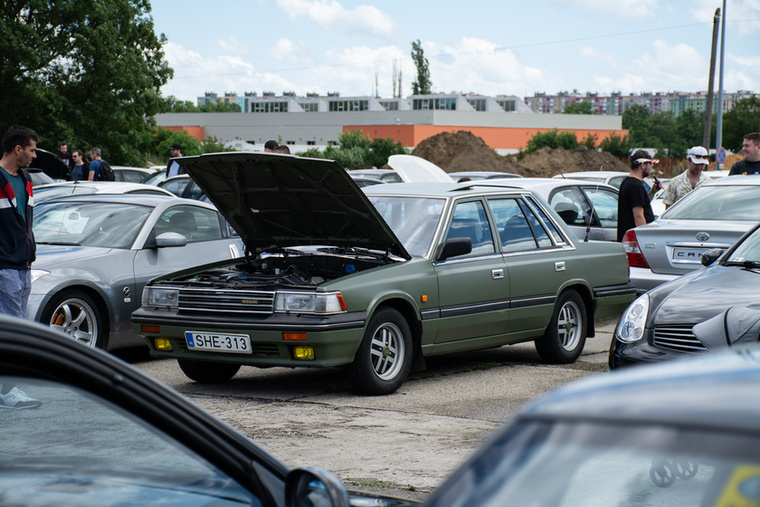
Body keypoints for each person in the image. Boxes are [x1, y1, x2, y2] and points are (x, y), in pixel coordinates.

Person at [0, 126, 42, 409]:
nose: (34, 155)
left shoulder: (25, 179)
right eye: (31, 149)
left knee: (17, 329)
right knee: (10, 331)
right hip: (4, 267)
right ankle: (8, 390)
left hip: (23, 265)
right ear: (17, 149)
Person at [617, 150, 662, 242]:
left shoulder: (627, 182)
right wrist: (645, 240)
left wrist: (653, 192)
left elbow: (641, 203)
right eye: (650, 164)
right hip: (635, 243)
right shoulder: (636, 186)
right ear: (643, 165)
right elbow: (638, 217)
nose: (651, 168)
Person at [661, 146, 711, 210]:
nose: (699, 167)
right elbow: (668, 208)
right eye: (696, 164)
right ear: (688, 160)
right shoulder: (675, 182)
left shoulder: (709, 183)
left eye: (702, 164)